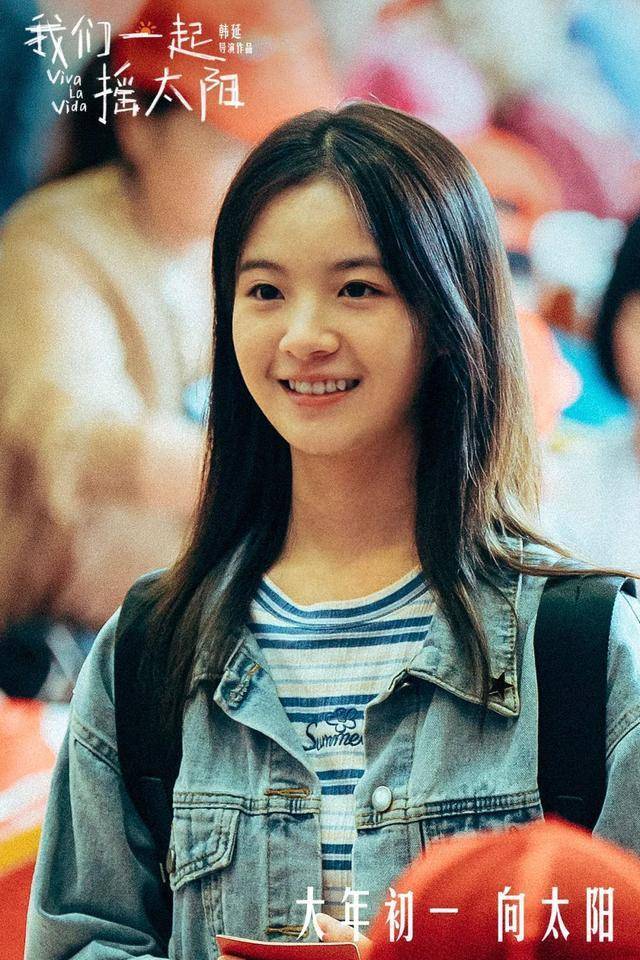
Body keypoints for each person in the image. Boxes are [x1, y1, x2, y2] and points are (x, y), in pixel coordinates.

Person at [25, 101, 640, 960]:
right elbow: (81, 939)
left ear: (449, 315)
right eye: (264, 291)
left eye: (357, 289)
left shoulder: (581, 649)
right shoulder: (148, 652)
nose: (303, 335)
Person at [0, 0, 338, 676]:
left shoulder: (240, 251)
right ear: (137, 126)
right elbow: (75, 436)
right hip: (58, 634)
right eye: (225, 144)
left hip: (184, 621)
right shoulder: (50, 246)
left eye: (269, 151)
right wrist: (277, 469)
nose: (255, 176)